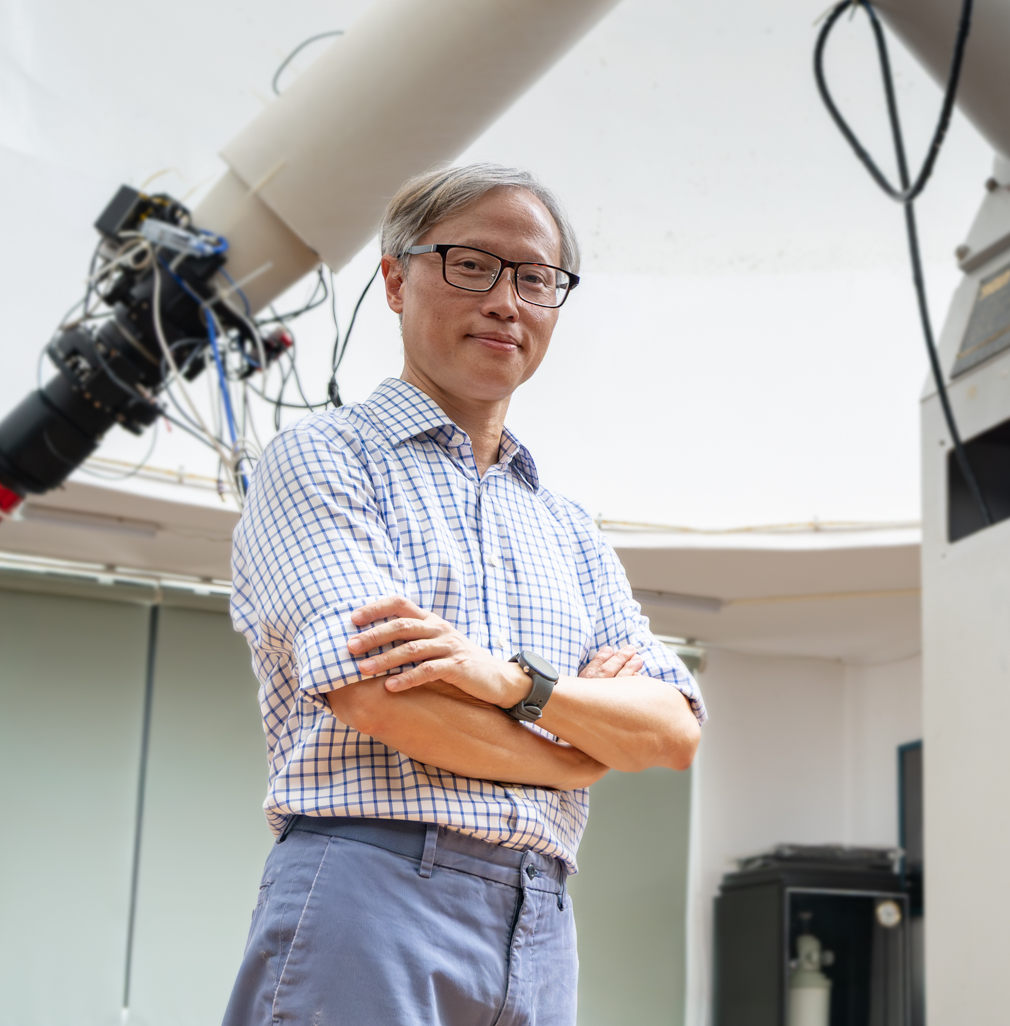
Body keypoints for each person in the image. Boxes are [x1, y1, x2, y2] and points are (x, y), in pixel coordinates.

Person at [224, 163, 703, 1026]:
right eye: (473, 265)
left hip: (543, 914)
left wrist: (513, 685)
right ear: (396, 280)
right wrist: (576, 753)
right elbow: (379, 699)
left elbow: (671, 731)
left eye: (535, 278)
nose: (506, 301)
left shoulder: (571, 530)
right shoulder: (325, 459)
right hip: (376, 883)